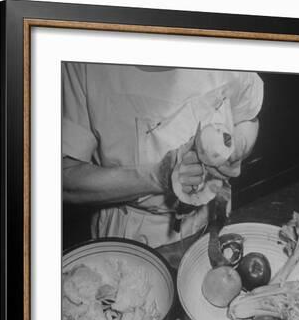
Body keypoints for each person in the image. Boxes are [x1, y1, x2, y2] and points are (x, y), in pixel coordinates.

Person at [62, 63, 263, 250]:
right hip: (134, 238)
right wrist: (156, 178)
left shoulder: (222, 41)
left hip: (213, 221)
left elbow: (247, 117)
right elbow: (64, 179)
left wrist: (238, 147)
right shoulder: (82, 65)